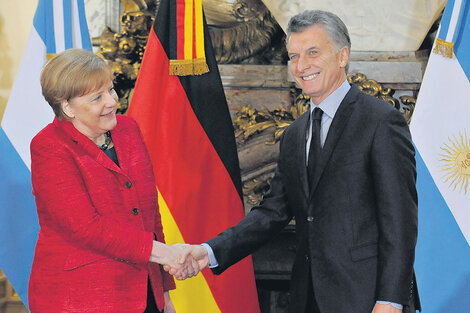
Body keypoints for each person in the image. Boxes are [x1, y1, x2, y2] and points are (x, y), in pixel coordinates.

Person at [172, 10, 421, 313]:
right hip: (306, 298)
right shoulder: (294, 133)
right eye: (293, 56)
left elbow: (401, 223)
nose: (301, 66)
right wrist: (208, 251)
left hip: (367, 299)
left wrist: (391, 300)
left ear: (342, 56)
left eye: (313, 53)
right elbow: (271, 212)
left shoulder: (382, 122)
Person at [28, 48, 198, 313]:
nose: (111, 101)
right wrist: (163, 253)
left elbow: (149, 214)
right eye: (97, 97)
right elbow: (85, 227)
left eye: (111, 90)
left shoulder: (128, 130)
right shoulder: (49, 147)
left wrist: (164, 291)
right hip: (81, 297)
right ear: (68, 107)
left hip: (145, 293)